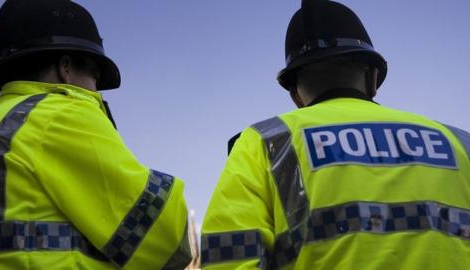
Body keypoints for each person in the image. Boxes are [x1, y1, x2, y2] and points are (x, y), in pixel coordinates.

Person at [201, 0, 470, 269]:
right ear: (373, 78)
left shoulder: (264, 142)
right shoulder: (460, 144)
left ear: (295, 95)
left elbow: (229, 258)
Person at [0, 0, 191, 269]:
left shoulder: (0, 126)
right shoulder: (59, 115)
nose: (97, 91)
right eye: (96, 77)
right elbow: (166, 239)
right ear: (66, 68)